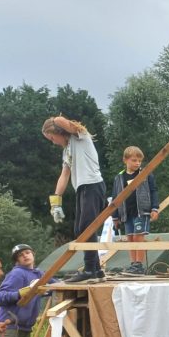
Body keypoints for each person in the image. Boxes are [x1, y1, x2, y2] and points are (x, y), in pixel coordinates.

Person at [43, 116, 107, 283]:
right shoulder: (67, 150)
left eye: (52, 137)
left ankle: (89, 269)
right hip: (82, 188)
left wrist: (54, 119)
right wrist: (56, 202)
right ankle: (96, 269)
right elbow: (64, 175)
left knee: (86, 227)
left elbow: (66, 123)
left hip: (92, 185)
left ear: (58, 132)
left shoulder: (80, 138)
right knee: (81, 229)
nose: (52, 142)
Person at [0, 244, 56, 337]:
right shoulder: (17, 273)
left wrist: (48, 290)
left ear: (33, 254)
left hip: (25, 327)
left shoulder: (39, 274)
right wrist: (19, 293)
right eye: (20, 255)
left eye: (27, 253)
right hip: (8, 326)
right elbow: (0, 297)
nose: (25, 256)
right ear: (17, 261)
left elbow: (57, 286)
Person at [111, 146, 160, 275]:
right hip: (126, 213)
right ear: (125, 160)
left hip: (141, 211)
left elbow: (154, 191)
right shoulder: (119, 177)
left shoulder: (145, 173)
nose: (137, 163)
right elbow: (115, 197)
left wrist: (155, 208)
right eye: (134, 160)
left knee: (139, 237)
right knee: (130, 238)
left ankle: (139, 265)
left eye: (139, 161)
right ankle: (133, 264)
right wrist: (115, 217)